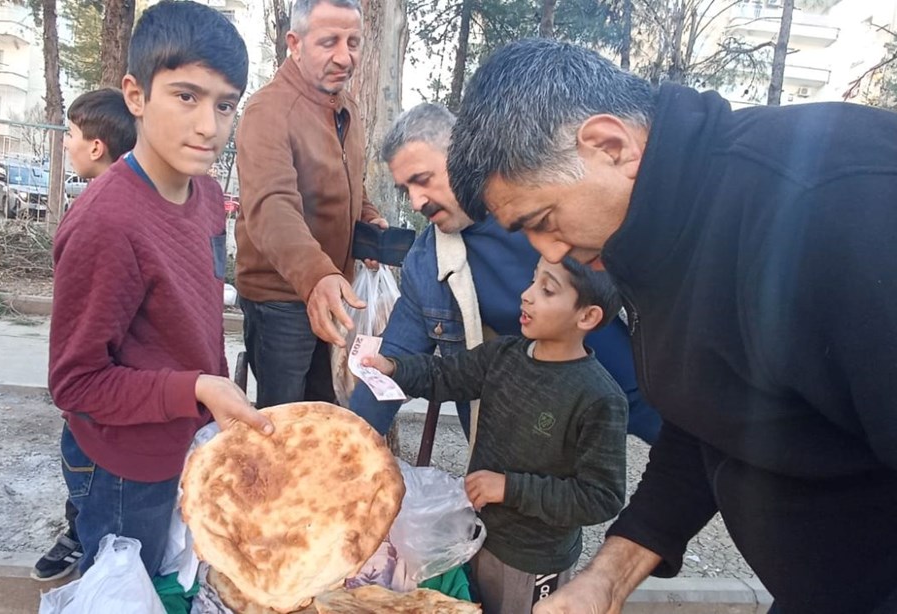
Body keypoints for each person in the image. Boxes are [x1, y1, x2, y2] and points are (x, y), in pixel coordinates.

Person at [446, 38, 897, 614]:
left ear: (611, 146)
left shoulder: (839, 203)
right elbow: (709, 416)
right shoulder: (649, 234)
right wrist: (610, 576)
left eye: (543, 221)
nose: (550, 251)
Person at [47, 1, 274, 578]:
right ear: (136, 95)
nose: (209, 125)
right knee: (133, 588)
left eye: (225, 105)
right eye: (187, 96)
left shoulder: (203, 197)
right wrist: (195, 388)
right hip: (125, 468)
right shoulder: (108, 222)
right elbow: (76, 383)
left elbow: (190, 317)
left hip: (185, 444)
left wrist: (205, 391)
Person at [350, 103, 661, 444]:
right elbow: (393, 359)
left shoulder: (550, 202)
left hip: (633, 389)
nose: (415, 201)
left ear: (463, 155)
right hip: (524, 437)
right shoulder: (426, 263)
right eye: (405, 189)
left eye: (422, 180)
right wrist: (347, 444)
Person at [363, 257, 628, 614]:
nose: (526, 295)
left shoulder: (599, 398)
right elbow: (444, 375)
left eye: (547, 290)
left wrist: (509, 487)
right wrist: (394, 367)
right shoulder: (504, 354)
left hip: (533, 560)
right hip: (476, 536)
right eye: (532, 280)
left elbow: (601, 497)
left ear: (587, 317)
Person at [234, 0, 386, 408]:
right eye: (329, 42)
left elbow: (353, 182)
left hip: (333, 289)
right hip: (281, 300)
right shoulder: (269, 110)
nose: (345, 56)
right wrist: (317, 275)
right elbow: (272, 206)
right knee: (284, 420)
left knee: (326, 409)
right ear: (295, 44)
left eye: (353, 42)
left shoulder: (346, 107)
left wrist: (370, 220)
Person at [32, 87, 136, 582]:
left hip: (102, 401)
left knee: (89, 474)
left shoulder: (103, 212)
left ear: (96, 146)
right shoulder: (107, 201)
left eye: (70, 134)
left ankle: (85, 534)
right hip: (95, 390)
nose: (66, 144)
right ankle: (79, 527)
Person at [63, 88, 137, 182]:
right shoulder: (135, 189)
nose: (65, 144)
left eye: (70, 135)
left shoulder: (99, 196)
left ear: (96, 149)